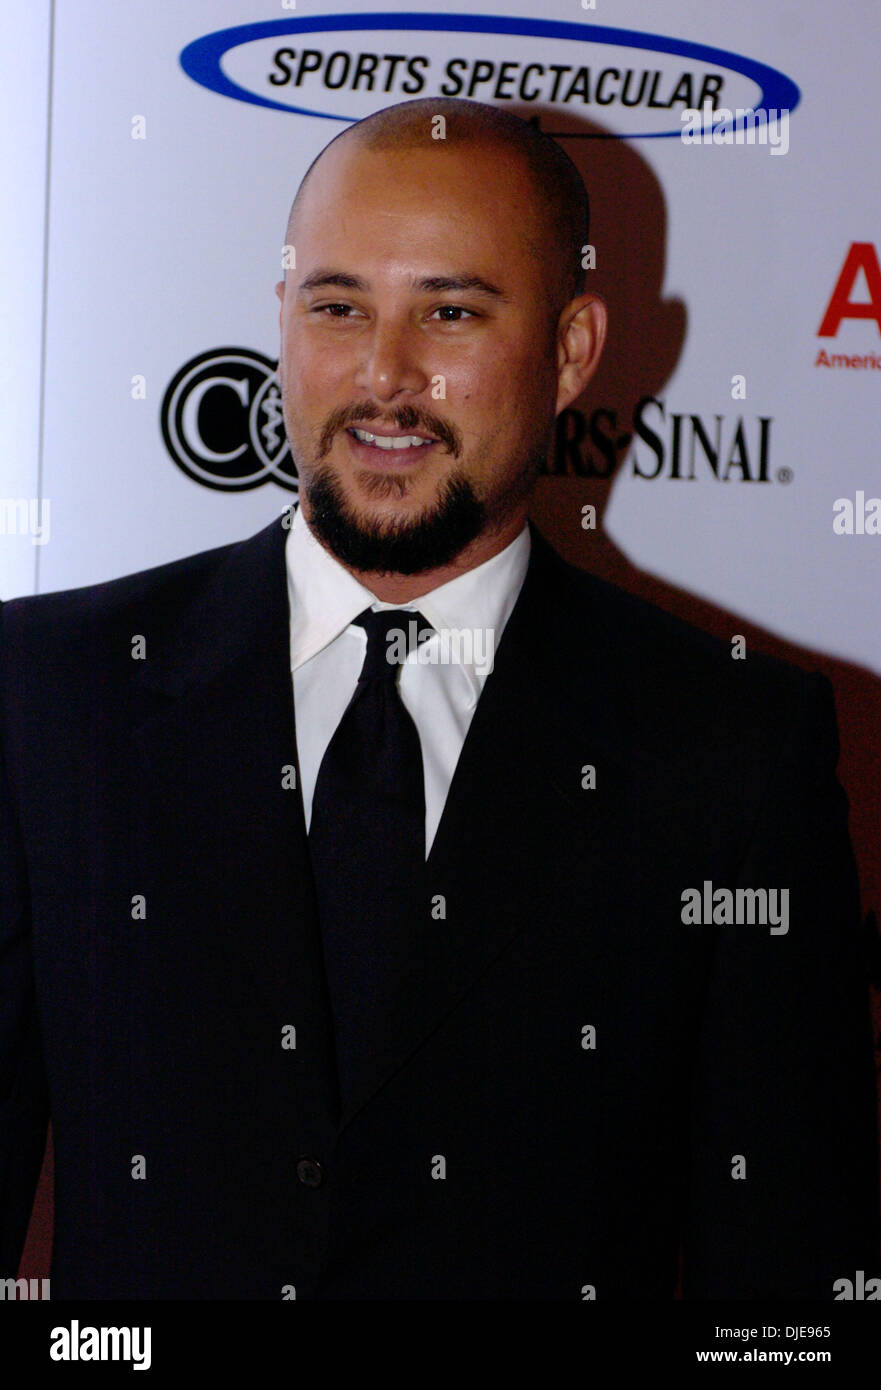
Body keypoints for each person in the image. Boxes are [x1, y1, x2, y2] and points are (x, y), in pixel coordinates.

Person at [1, 97, 877, 1300]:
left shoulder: (728, 749)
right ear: (282, 322)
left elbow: (785, 1277)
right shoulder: (48, 694)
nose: (381, 375)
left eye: (450, 311)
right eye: (337, 307)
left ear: (571, 351)